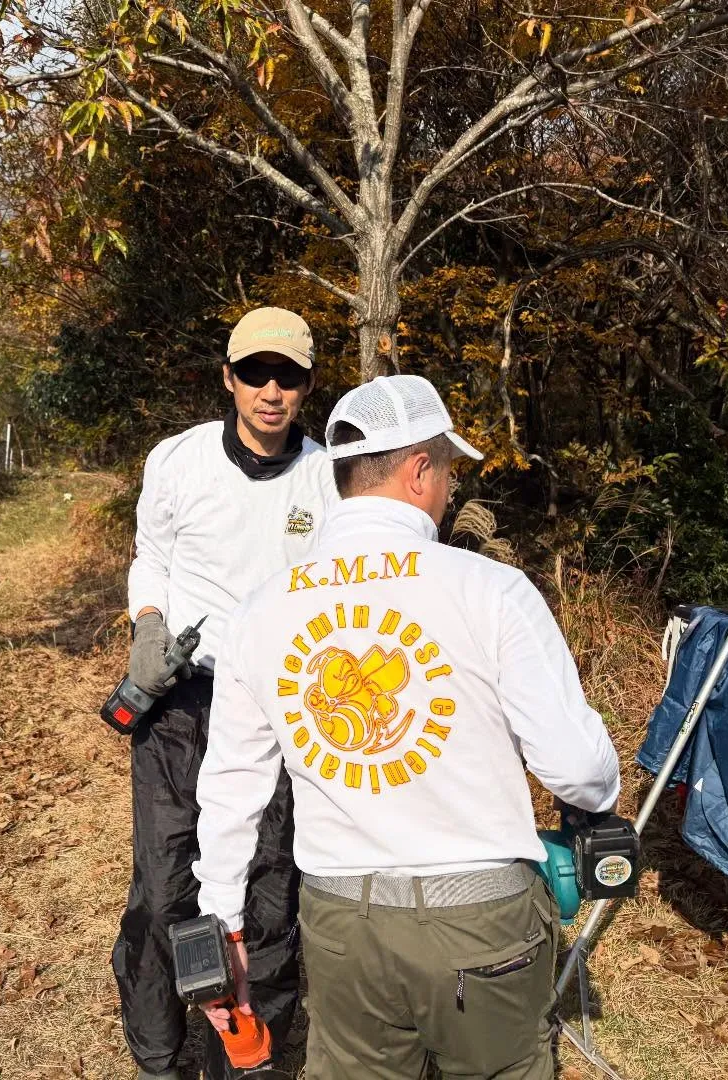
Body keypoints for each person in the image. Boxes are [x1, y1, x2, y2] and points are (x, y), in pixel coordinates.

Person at [193, 375, 621, 1079]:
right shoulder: (492, 591)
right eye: (448, 470)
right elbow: (577, 768)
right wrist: (601, 790)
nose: (449, 488)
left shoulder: (260, 609)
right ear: (420, 469)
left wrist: (224, 920)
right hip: (481, 924)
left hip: (340, 927)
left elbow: (232, 783)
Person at [114, 307, 340, 1080]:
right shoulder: (176, 461)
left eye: (288, 376)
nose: (270, 391)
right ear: (229, 377)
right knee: (167, 880)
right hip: (182, 704)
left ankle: (248, 1054)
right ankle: (158, 1052)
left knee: (268, 884)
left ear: (308, 385)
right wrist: (148, 624)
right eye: (255, 373)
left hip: (279, 711)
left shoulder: (327, 478)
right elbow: (152, 557)